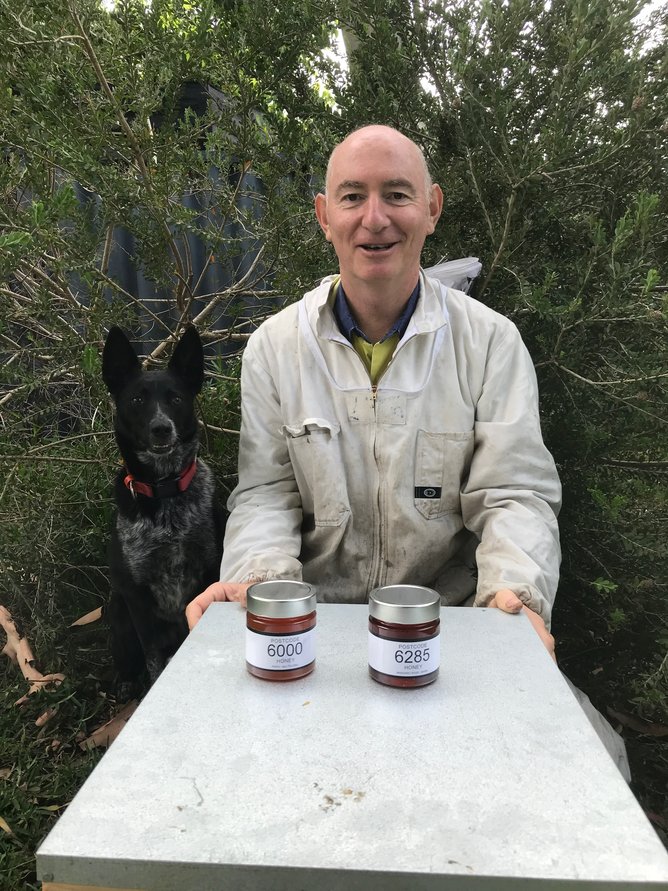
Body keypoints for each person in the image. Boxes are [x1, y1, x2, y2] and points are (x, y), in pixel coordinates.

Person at [186, 124, 628, 778]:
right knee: (209, 774)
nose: (374, 218)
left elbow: (516, 496)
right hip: (315, 636)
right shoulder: (275, 349)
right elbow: (265, 495)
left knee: (595, 766)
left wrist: (516, 598)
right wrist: (258, 581)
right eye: (352, 196)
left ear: (432, 208)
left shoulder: (490, 345)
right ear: (323, 215)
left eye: (397, 194)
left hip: (453, 637)